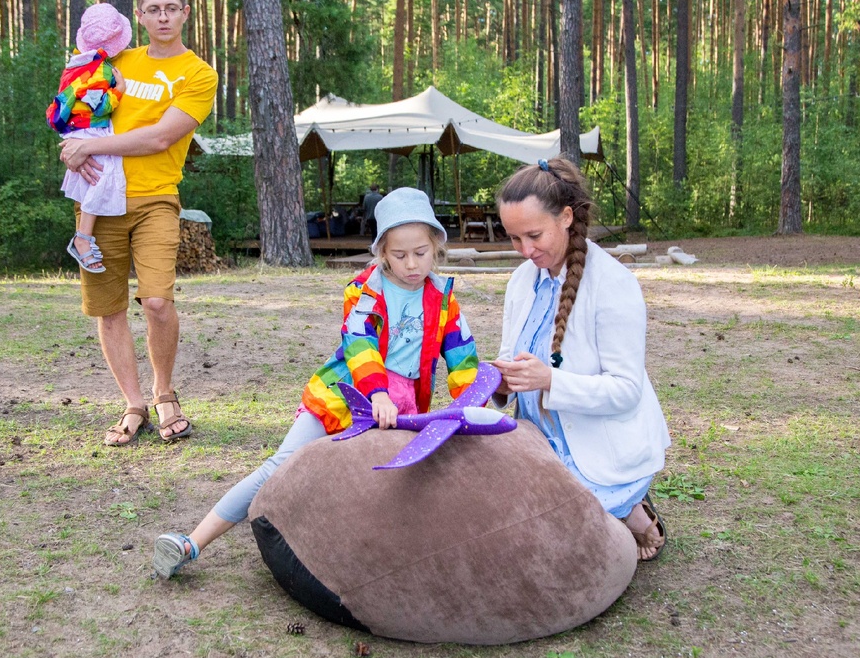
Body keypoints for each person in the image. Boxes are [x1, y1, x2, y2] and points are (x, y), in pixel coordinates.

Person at [152, 187, 482, 578]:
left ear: (436, 248)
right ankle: (192, 542)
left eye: (421, 253)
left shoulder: (444, 300)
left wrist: (473, 403)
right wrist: (376, 392)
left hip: (402, 407)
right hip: (345, 395)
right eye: (399, 254)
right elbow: (360, 346)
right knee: (283, 463)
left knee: (387, 484)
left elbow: (462, 357)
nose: (411, 264)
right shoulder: (365, 291)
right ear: (382, 253)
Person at [58, 0, 219, 446]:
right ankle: (134, 405)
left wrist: (95, 146)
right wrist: (72, 146)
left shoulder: (198, 73)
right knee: (108, 310)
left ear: (185, 12)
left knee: (156, 301)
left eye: (172, 7)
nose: (164, 16)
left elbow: (162, 136)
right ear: (141, 16)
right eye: (154, 9)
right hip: (97, 200)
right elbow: (75, 109)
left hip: (156, 198)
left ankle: (164, 393)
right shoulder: (116, 60)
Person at [490, 157, 672, 562]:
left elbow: (626, 391)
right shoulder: (522, 280)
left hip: (601, 448)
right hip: (541, 439)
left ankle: (629, 507)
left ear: (567, 217)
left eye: (534, 235)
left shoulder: (613, 284)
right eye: (514, 238)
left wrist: (549, 381)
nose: (524, 251)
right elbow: (510, 357)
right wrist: (503, 381)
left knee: (558, 539)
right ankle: (611, 509)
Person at [47, 3, 132, 273]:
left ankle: (83, 236)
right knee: (103, 176)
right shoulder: (102, 71)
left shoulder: (74, 64)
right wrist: (119, 91)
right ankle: (83, 238)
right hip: (91, 129)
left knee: (90, 180)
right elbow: (101, 106)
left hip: (73, 129)